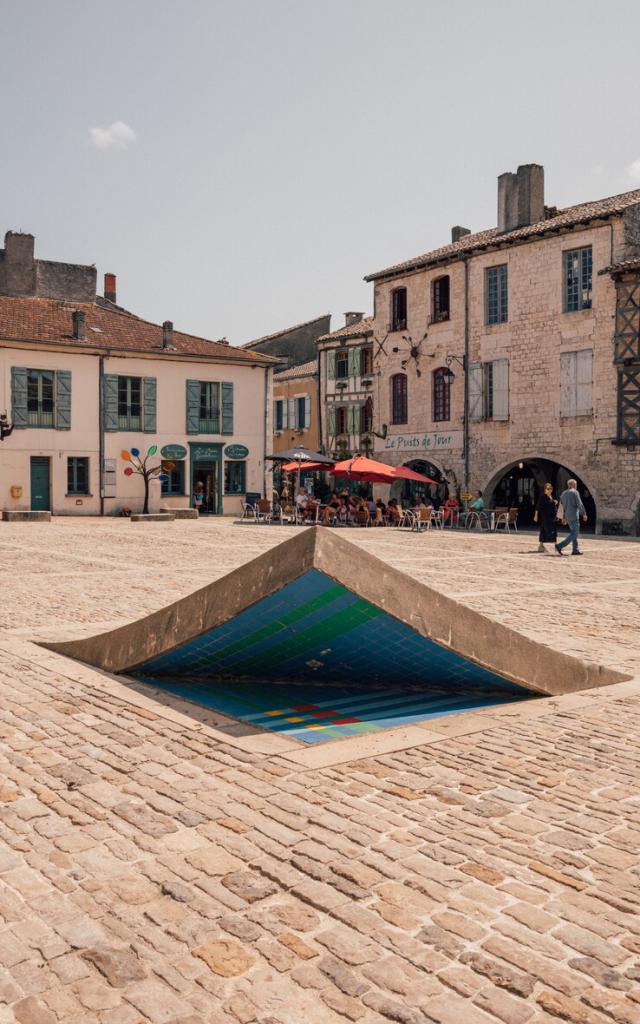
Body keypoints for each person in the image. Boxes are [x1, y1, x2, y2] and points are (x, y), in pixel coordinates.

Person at [555, 479, 587, 556]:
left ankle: (575, 550)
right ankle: (559, 546)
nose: (576, 486)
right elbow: (580, 504)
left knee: (573, 532)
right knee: (575, 534)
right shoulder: (575, 492)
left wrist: (563, 517)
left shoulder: (563, 493)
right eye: (575, 485)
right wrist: (584, 514)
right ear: (572, 485)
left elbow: (561, 507)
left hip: (567, 516)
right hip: (574, 516)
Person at [534, 482, 558, 553]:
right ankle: (556, 546)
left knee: (543, 531)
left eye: (551, 489)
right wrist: (536, 515)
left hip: (552, 517)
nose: (549, 490)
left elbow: (552, 505)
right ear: (545, 490)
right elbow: (538, 506)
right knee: (552, 530)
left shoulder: (551, 496)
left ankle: (541, 546)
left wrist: (554, 502)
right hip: (545, 517)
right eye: (548, 489)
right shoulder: (542, 497)